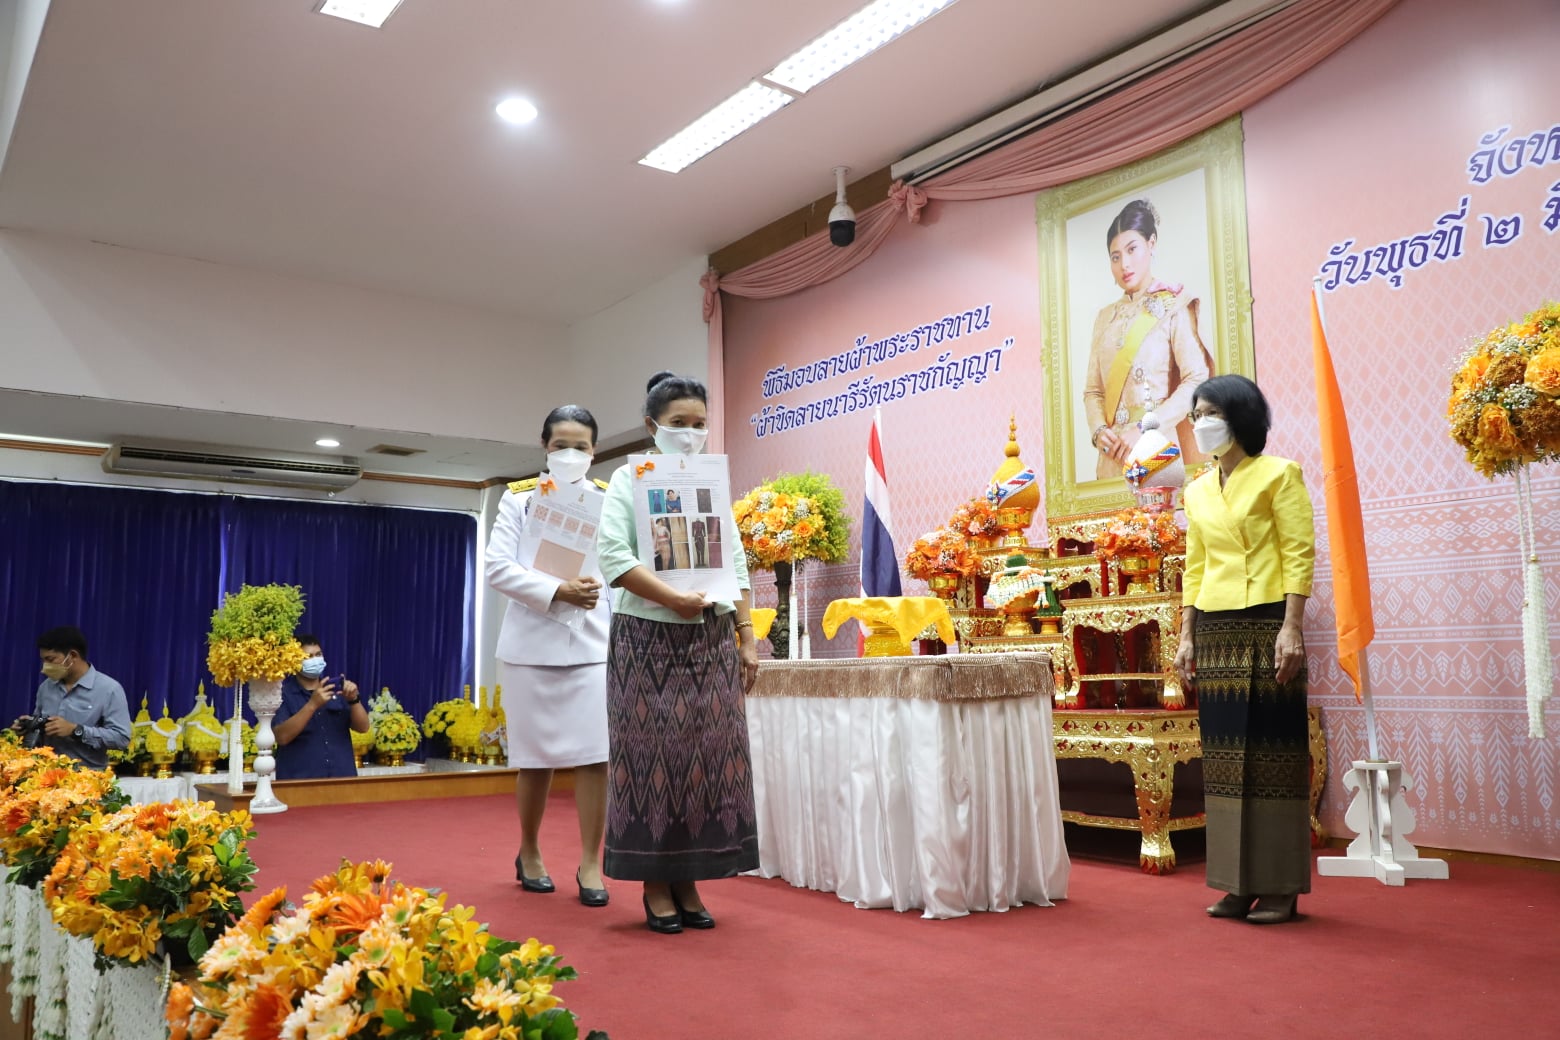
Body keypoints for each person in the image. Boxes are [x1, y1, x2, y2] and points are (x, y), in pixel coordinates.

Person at [597, 371, 760, 934]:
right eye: (678, 425)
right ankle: (654, 882)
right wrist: (671, 598)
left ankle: (689, 878)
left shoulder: (712, 480)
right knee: (652, 757)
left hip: (710, 636)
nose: (691, 434)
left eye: (699, 424)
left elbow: (734, 560)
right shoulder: (628, 478)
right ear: (652, 427)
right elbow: (613, 557)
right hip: (646, 636)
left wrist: (745, 632)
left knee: (709, 758)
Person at [1172, 375, 1315, 925]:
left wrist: (1292, 626)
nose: (1201, 420)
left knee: (1273, 755)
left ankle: (1280, 886)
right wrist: (1186, 633)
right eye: (1196, 411)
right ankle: (1235, 883)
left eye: (1209, 411)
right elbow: (1196, 566)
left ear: (1239, 417)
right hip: (1216, 627)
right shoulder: (1197, 489)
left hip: (1267, 622)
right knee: (1227, 758)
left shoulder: (1279, 474)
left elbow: (1299, 552)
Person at [486, 404, 612, 907]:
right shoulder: (519, 500)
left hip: (592, 643)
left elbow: (620, 567)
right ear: (544, 447)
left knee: (594, 758)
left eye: (580, 446)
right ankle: (530, 851)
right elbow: (497, 568)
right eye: (560, 444)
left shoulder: (607, 500)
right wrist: (558, 589)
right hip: (531, 646)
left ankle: (590, 862)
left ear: (594, 451)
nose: (570, 454)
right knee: (534, 760)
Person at [1083, 198, 1213, 481]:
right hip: (1111, 459)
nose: (1124, 264)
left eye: (1132, 249)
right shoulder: (1104, 318)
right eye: (1115, 256)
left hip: (1156, 451)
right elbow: (1093, 391)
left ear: (1151, 243)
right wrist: (1098, 432)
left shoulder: (1173, 304)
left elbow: (1196, 378)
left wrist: (1144, 428)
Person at [16, 627, 131, 768]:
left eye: (50, 659)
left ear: (73, 656)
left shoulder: (109, 689)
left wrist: (76, 730)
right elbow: (39, 733)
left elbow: (121, 738)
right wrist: (28, 728)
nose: (45, 667)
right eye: (43, 660)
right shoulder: (46, 687)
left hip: (88, 779)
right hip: (46, 776)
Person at [272, 635, 369, 779]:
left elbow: (363, 727)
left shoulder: (335, 688)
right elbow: (282, 737)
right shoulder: (282, 695)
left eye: (318, 655)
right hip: (300, 782)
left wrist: (354, 700)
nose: (315, 660)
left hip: (342, 778)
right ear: (294, 662)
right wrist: (312, 704)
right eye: (308, 656)